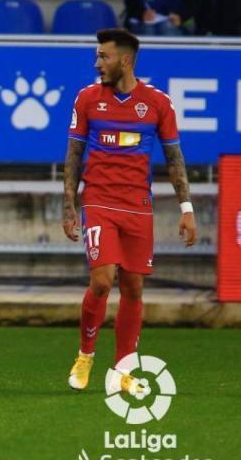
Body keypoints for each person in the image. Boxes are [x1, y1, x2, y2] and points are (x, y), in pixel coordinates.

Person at [64, 29, 197, 393]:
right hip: (99, 203)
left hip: (138, 207)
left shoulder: (157, 103)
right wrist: (69, 205)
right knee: (102, 281)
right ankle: (85, 354)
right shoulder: (88, 99)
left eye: (103, 56)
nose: (97, 63)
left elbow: (174, 158)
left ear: (124, 60)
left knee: (134, 288)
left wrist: (187, 208)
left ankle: (123, 370)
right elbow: (74, 155)